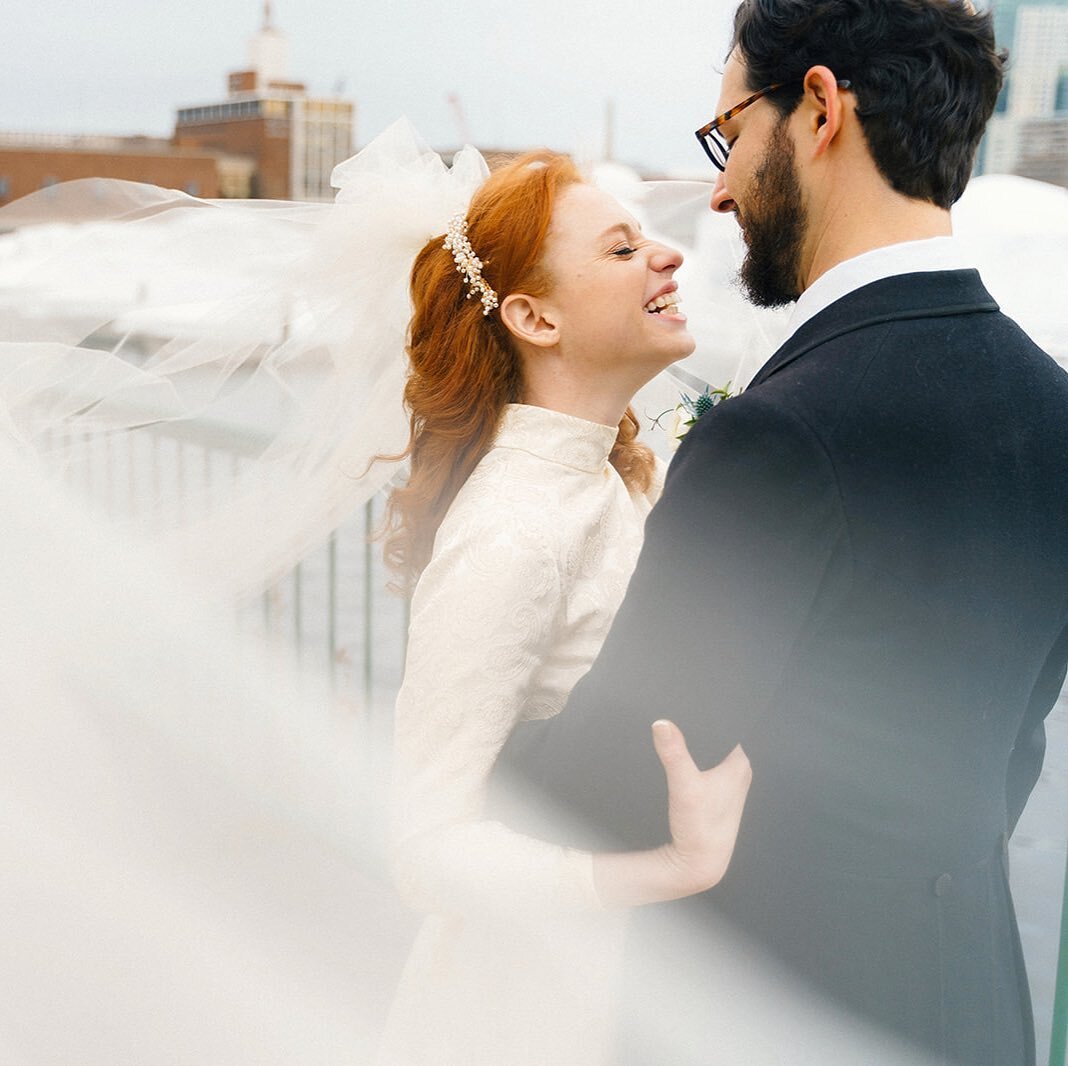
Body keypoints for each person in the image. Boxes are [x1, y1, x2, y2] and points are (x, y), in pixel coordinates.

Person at [493, 2, 1068, 1063]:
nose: (717, 187)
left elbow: (614, 781)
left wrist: (471, 726)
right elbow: (1007, 754)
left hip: (766, 1016)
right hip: (973, 1013)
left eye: (728, 134)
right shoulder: (1056, 407)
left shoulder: (780, 436)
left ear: (816, 109)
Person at [375, 151, 752, 1066]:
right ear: (533, 317)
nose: (666, 256)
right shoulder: (510, 531)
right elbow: (424, 845)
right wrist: (666, 870)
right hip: (535, 1002)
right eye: (622, 250)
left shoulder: (620, 477)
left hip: (645, 979)